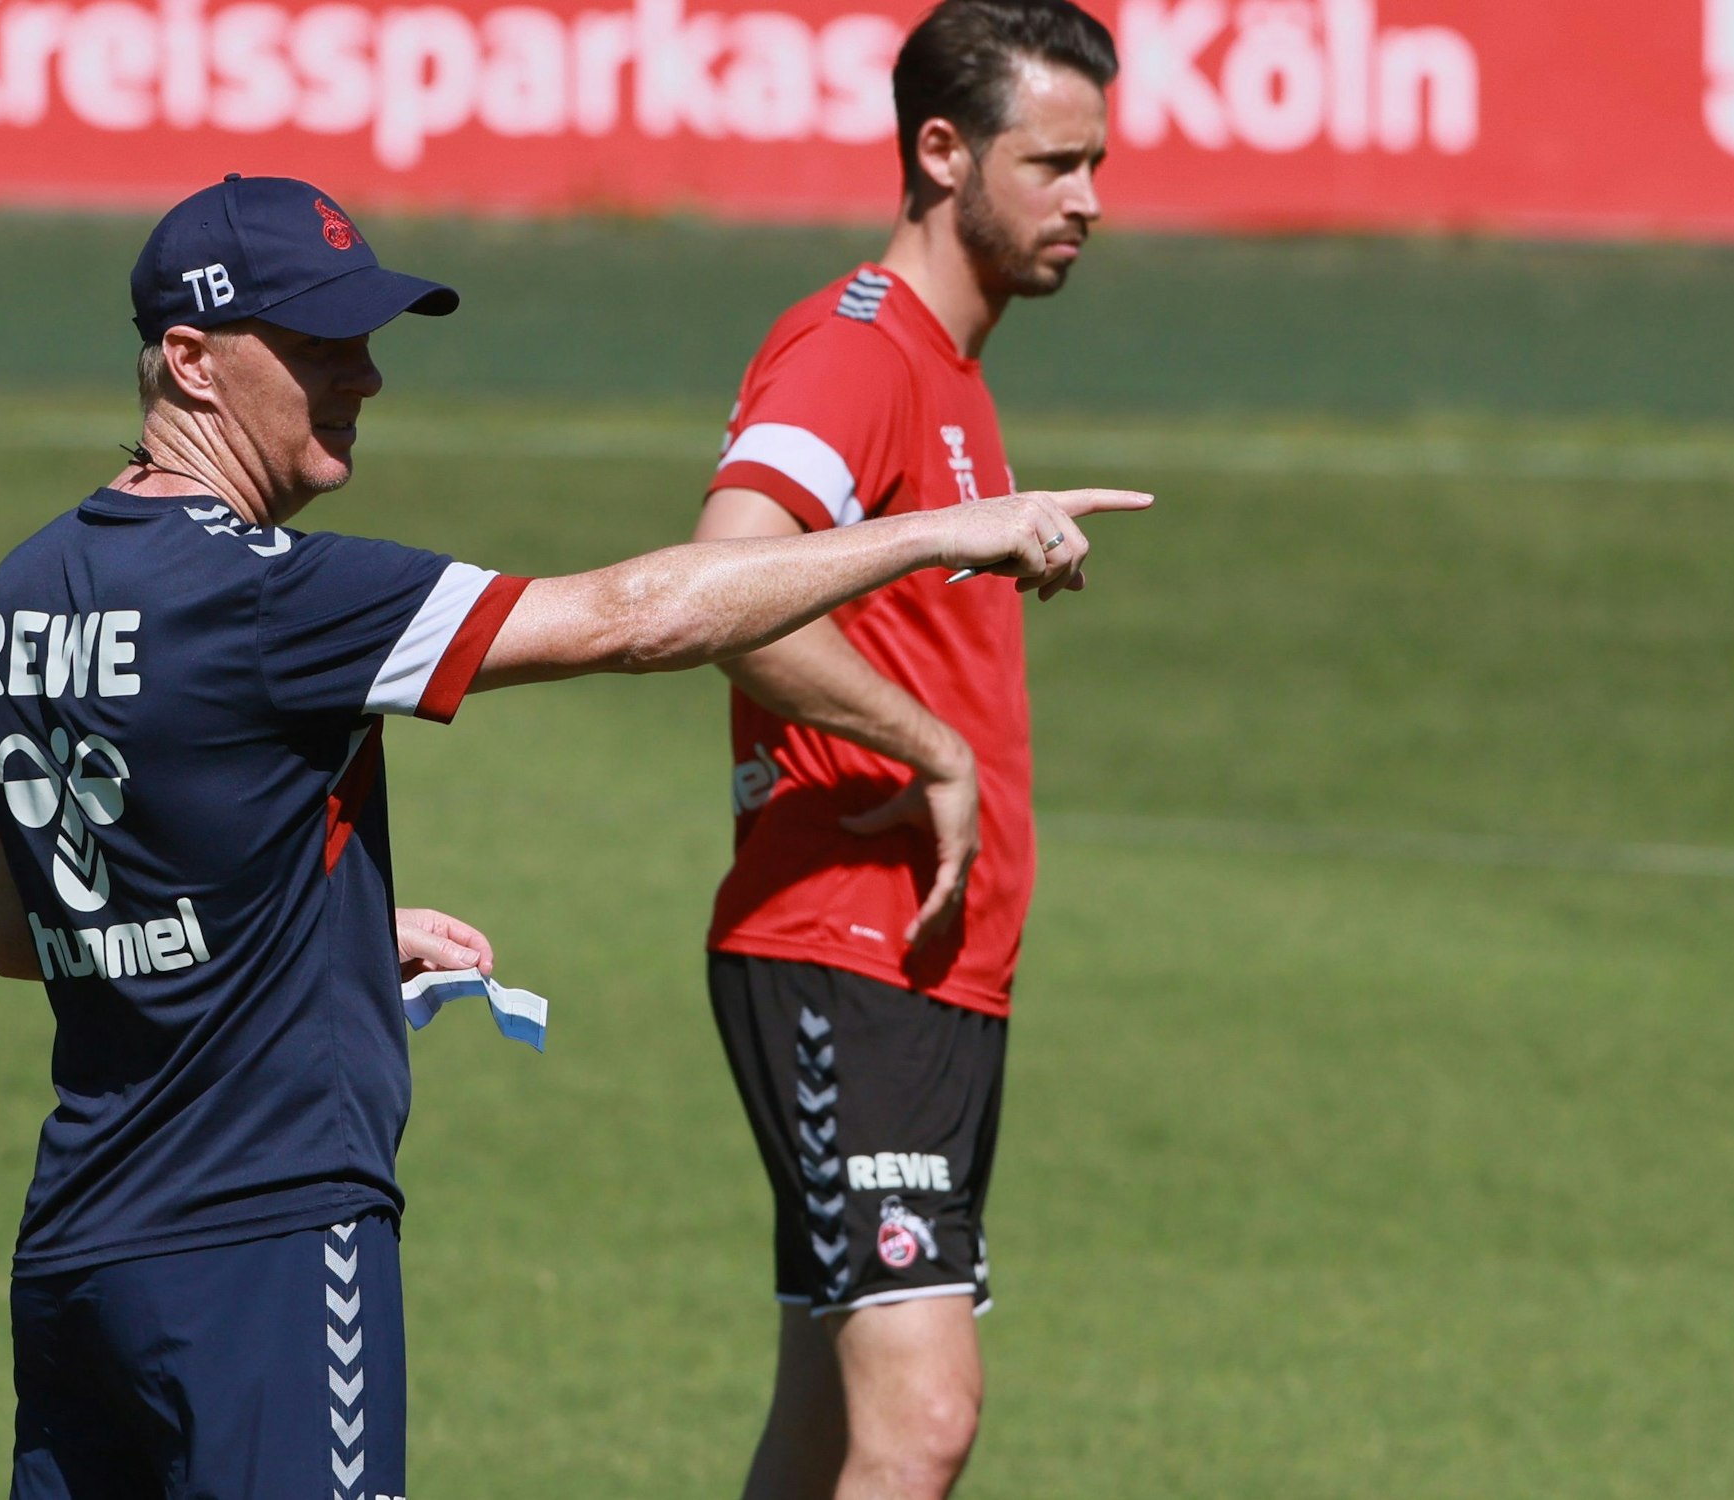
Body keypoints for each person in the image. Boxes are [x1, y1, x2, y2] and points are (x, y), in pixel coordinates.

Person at [0, 171, 1143, 1500]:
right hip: (268, 1239)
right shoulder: (278, 600)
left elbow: (35, 933)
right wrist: (935, 531)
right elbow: (636, 618)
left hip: (76, 1252)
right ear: (190, 358)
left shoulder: (15, 602)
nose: (364, 377)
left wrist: (327, 930)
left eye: (368, 339)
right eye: (318, 345)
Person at [690, 3, 1128, 1496]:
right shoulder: (859, 352)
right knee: (922, 1418)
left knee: (830, 1423)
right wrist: (931, 747)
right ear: (941, 151)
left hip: (927, 965)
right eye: (1054, 162)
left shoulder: (952, 373)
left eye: (1097, 164)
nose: (1089, 201)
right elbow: (725, 586)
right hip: (842, 948)